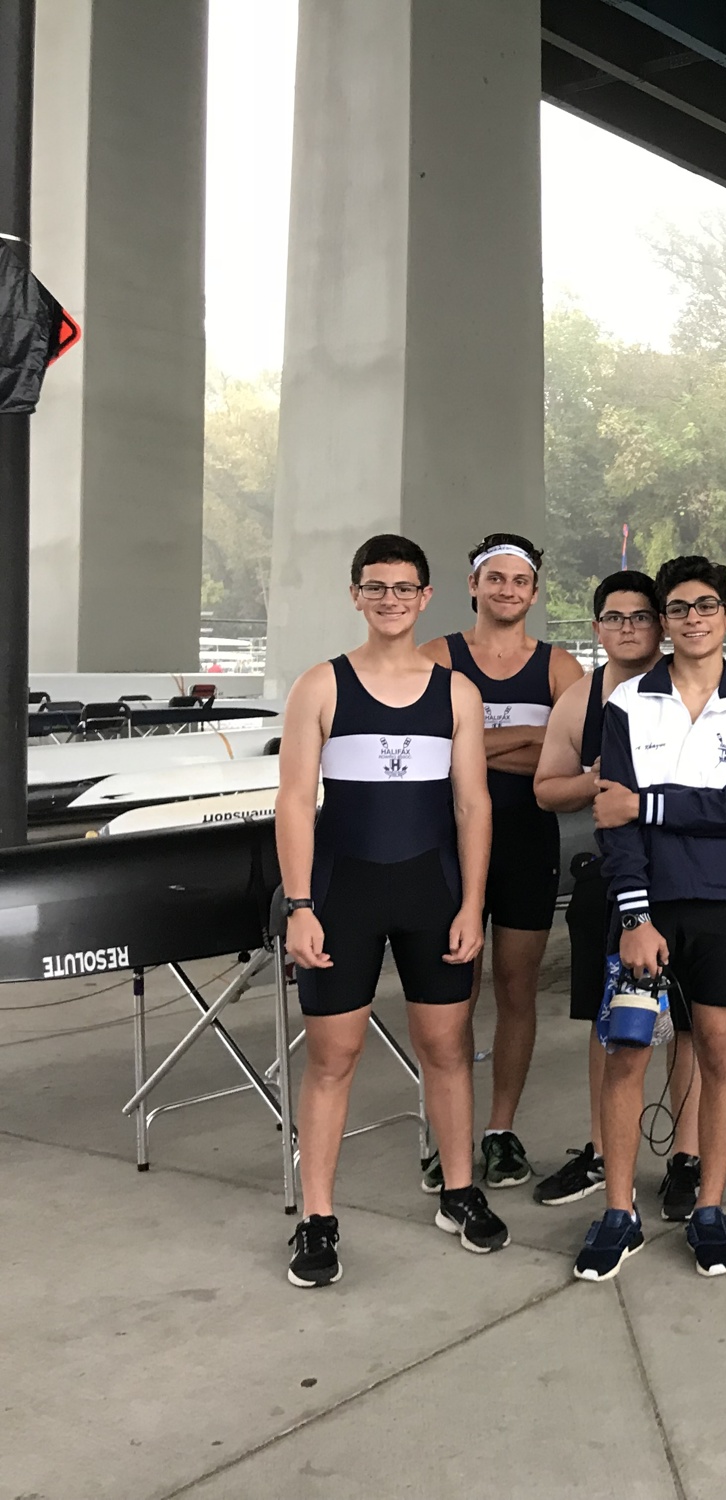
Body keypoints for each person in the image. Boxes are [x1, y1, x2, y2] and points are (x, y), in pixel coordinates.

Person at [276, 534, 505, 1288]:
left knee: (446, 1048)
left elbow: (473, 805)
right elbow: (295, 805)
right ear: (355, 596)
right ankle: (317, 1218)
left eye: (404, 589)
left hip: (431, 894)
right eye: (376, 588)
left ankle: (460, 1191)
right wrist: (301, 904)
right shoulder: (322, 686)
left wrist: (473, 902)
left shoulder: (456, 693)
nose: (390, 601)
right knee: (332, 1058)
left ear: (426, 596)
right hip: (343, 895)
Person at [583, 556, 726, 1279]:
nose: (692, 618)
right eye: (677, 608)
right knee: (628, 1051)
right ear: (663, 621)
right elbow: (613, 820)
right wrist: (635, 915)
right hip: (644, 912)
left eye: (705, 606)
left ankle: (708, 1208)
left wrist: (647, 802)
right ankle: (618, 1213)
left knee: (719, 1052)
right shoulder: (628, 704)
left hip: (722, 907)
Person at [528, 570, 702, 1217]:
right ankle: (605, 1151)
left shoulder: (693, 686)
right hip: (616, 882)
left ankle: (686, 1157)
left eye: (640, 617)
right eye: (614, 618)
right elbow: (547, 787)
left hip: (689, 878)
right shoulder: (582, 697)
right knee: (615, 1028)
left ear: (660, 624)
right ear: (597, 626)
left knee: (691, 1024)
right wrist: (597, 779)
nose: (628, 628)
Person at [419, 534, 584, 1191]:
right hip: (448, 846)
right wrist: (530, 740)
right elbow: (428, 748)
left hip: (526, 844)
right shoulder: (438, 656)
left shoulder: (558, 667)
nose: (508, 590)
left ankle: (499, 1130)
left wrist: (474, 742)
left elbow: (570, 757)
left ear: (535, 593)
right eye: (496, 579)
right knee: (451, 993)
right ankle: (448, 1133)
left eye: (520, 581)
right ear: (473, 584)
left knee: (516, 991)